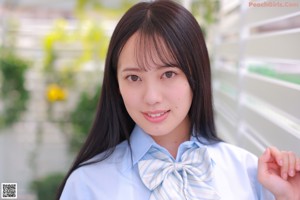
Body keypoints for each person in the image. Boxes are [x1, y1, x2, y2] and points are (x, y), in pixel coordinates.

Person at [57, 0, 300, 199]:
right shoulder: (87, 185)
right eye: (133, 77)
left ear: (196, 74)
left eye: (168, 74)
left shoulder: (247, 173)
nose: (152, 97)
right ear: (116, 84)